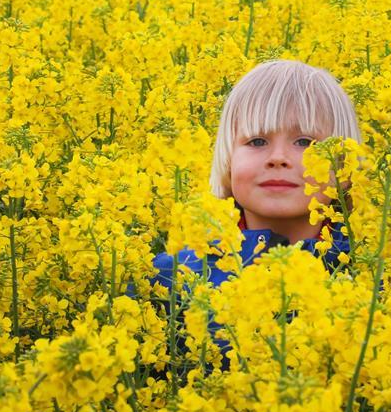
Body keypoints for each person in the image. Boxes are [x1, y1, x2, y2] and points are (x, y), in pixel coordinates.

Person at [145, 59, 362, 372]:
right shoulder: (171, 278)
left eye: (305, 142)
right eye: (257, 141)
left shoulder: (371, 271)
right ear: (229, 162)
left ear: (343, 167)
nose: (278, 158)